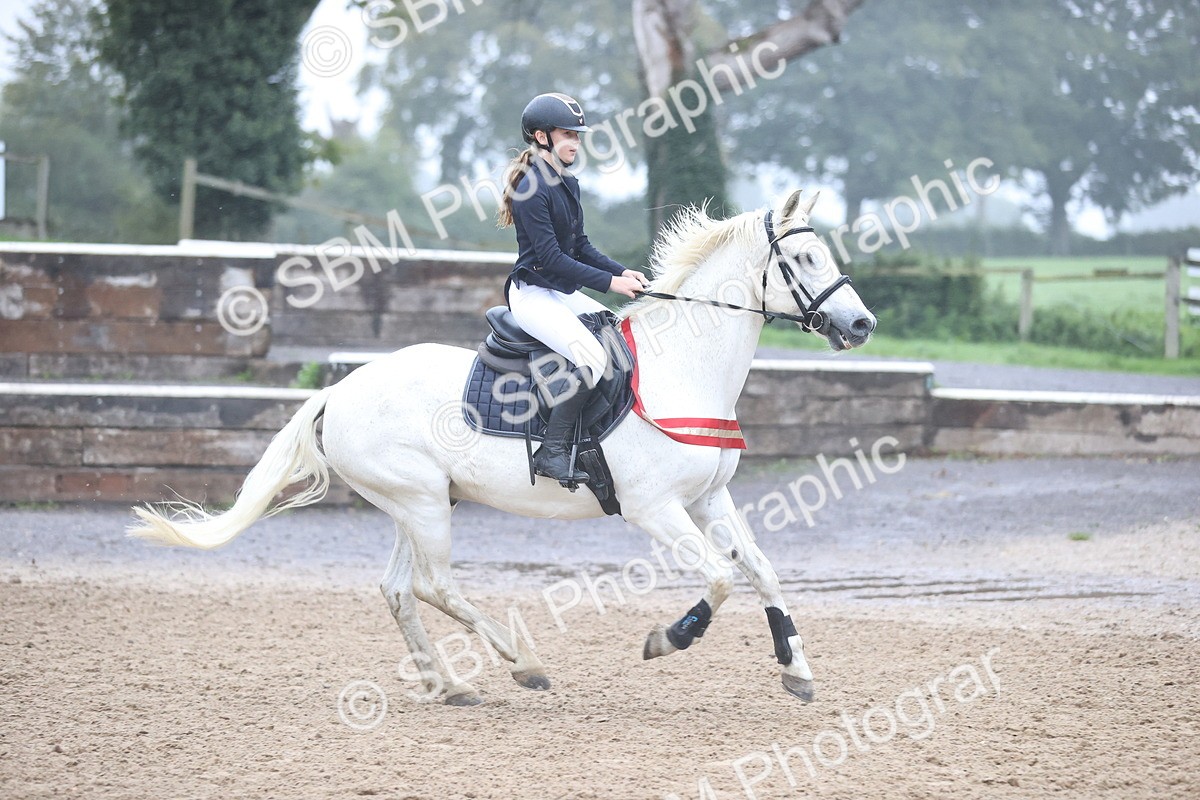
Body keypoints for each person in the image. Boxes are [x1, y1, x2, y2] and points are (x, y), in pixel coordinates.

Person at [497, 92, 648, 484]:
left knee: (618, 333)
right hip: (532, 293)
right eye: (568, 135)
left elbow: (579, 246)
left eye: (577, 136)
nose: (575, 144)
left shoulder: (568, 183)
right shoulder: (530, 188)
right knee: (594, 361)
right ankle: (552, 451)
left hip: (558, 291)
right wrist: (611, 283)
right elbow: (551, 259)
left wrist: (623, 271)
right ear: (541, 137)